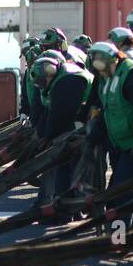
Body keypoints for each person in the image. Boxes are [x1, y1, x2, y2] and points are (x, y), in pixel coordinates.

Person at [86, 41, 133, 188]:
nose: (100, 74)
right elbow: (108, 112)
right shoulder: (110, 78)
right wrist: (93, 139)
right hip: (124, 144)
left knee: (125, 191)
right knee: (120, 190)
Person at [29, 50, 91, 201]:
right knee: (64, 162)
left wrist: (48, 137)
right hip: (77, 121)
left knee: (71, 164)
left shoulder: (68, 80)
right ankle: (62, 199)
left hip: (86, 123)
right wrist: (40, 134)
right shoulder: (57, 80)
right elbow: (48, 111)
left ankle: (69, 201)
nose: (43, 86)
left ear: (49, 73)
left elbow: (61, 114)